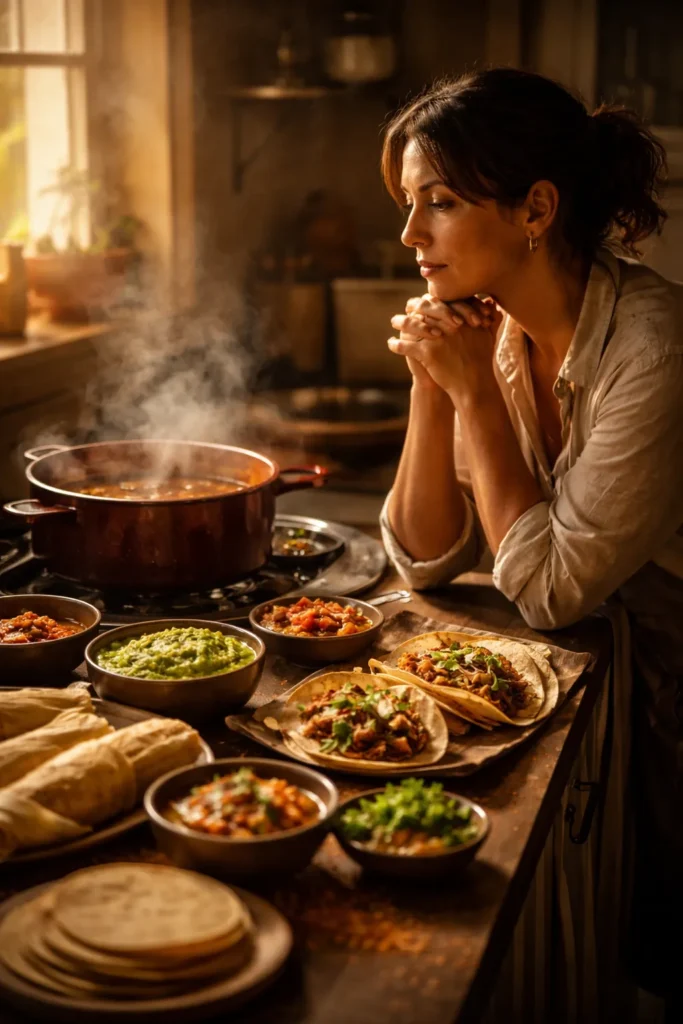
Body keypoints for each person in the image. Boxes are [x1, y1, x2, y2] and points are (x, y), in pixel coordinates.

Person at [379, 67, 683, 1013]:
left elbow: (549, 590)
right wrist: (437, 385)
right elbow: (424, 556)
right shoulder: (496, 334)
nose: (408, 235)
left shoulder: (653, 346)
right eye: (407, 204)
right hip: (605, 667)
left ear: (534, 209)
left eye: (439, 202)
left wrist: (468, 390)